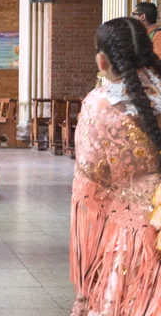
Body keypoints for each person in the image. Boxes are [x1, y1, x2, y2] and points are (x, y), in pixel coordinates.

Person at [70, 17, 161, 314]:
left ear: (102, 60)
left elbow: (89, 188)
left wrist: (88, 268)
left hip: (134, 237)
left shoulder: (100, 105)